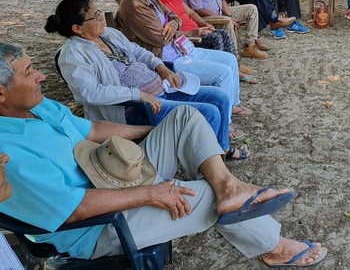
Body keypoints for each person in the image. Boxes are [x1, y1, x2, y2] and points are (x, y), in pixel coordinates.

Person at [0, 43, 327, 267]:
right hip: (95, 228)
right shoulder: (7, 155)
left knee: (183, 117)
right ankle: (275, 248)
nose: (40, 75)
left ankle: (230, 187)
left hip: (112, 175)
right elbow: (74, 211)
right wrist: (152, 193)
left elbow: (93, 131)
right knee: (201, 193)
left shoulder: (36, 107)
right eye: (28, 72)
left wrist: (153, 133)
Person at [45, 0, 247, 159]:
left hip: (160, 92)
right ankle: (207, 168)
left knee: (219, 97)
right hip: (134, 108)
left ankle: (221, 150)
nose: (100, 18)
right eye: (95, 16)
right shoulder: (72, 55)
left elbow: (138, 51)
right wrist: (138, 95)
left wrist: (161, 67)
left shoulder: (109, 35)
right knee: (209, 112)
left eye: (99, 12)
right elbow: (88, 93)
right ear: (77, 28)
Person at [113, 0, 250, 117]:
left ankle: (232, 105)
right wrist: (174, 26)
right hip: (168, 60)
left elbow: (173, 15)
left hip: (181, 49)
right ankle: (225, 120)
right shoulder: (133, 6)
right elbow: (159, 38)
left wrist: (172, 24)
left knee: (229, 60)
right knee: (224, 73)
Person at [150, 0, 257, 84]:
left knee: (224, 34)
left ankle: (234, 69)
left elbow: (190, 12)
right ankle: (220, 74)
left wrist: (206, 24)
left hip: (197, 28)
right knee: (216, 38)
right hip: (185, 37)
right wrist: (195, 32)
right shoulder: (154, 1)